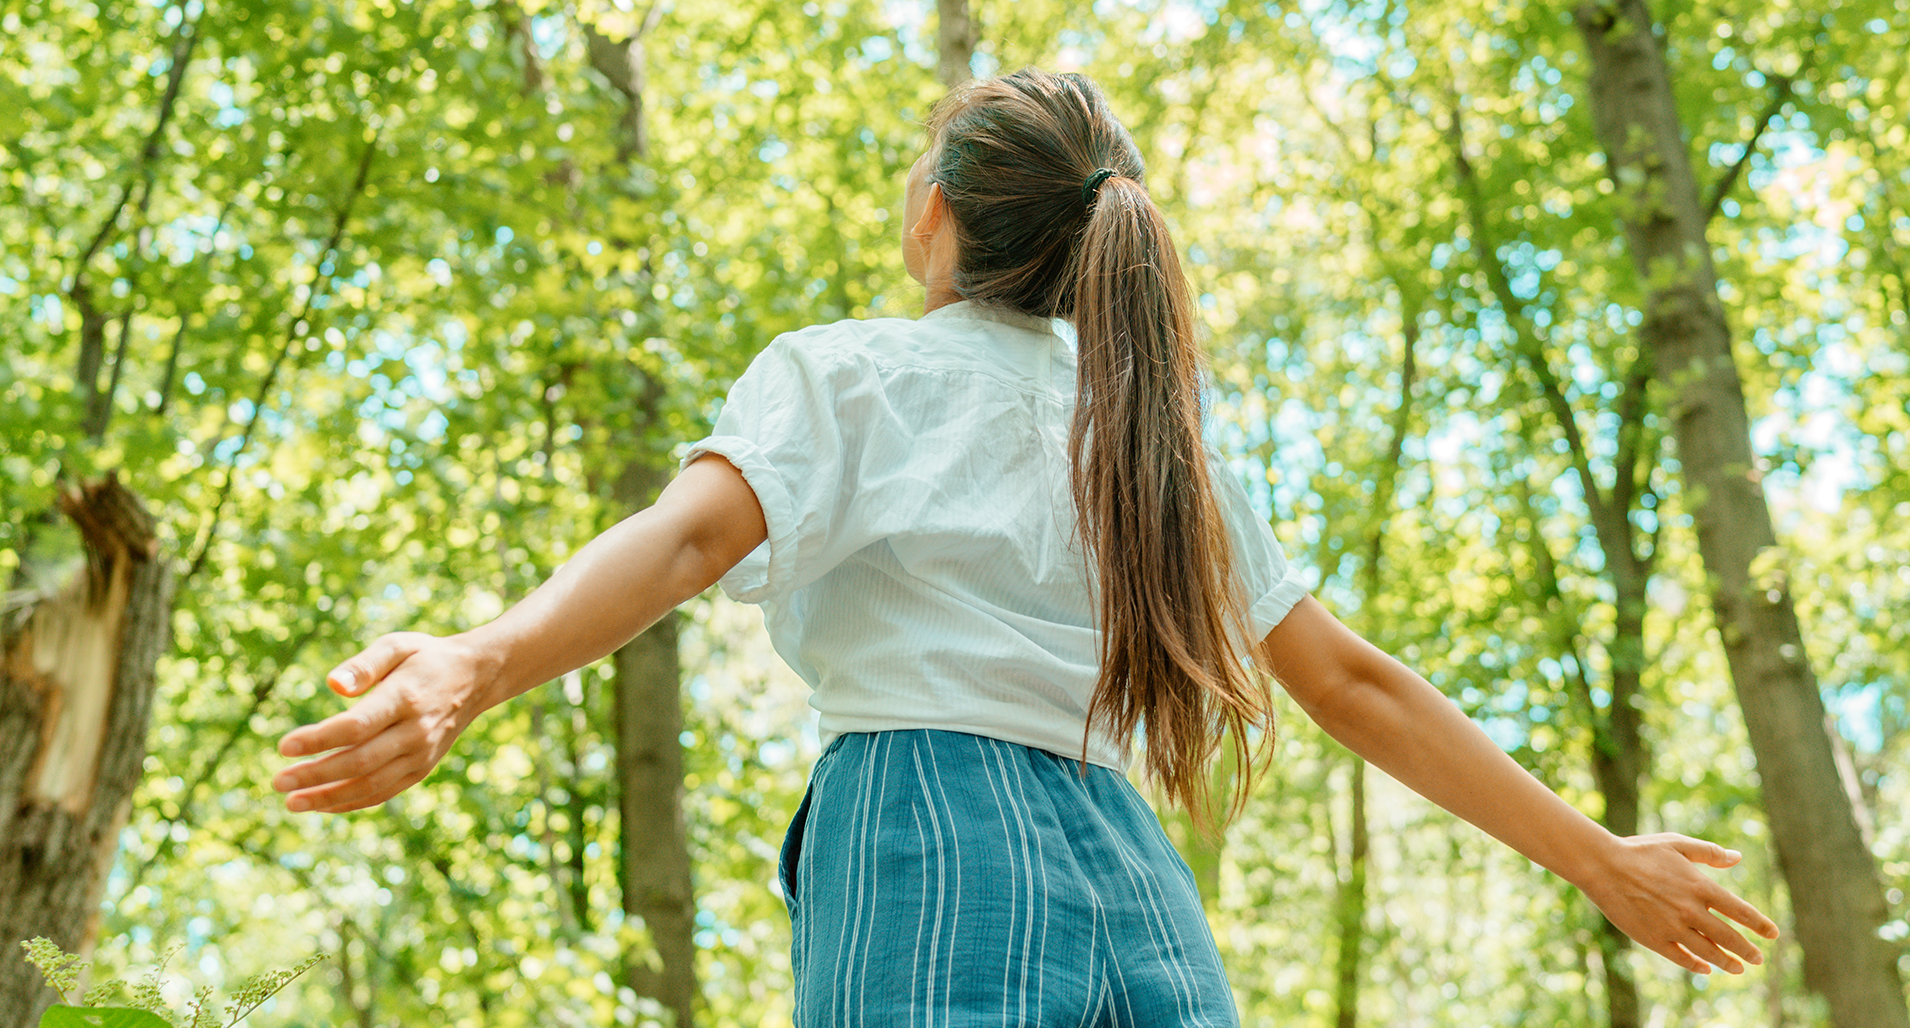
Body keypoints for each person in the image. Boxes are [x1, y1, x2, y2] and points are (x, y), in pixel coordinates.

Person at [273, 69, 1777, 1025]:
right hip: (1128, 866)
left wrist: (478, 658)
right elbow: (1356, 685)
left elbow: (678, 548)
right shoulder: (1152, 441)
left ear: (937, 213)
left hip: (923, 831)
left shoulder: (855, 369)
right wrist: (1596, 858)